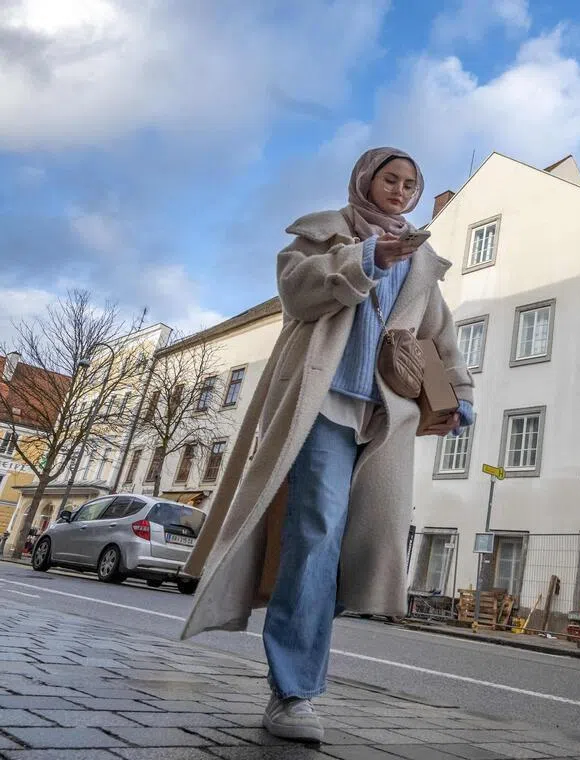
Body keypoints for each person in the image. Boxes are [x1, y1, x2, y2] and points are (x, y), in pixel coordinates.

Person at [177, 148, 475, 744]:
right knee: (314, 534)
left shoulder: (420, 264)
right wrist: (367, 258)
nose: (400, 191)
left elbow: (440, 337)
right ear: (366, 180)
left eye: (411, 185)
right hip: (321, 407)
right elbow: (297, 292)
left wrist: (459, 396)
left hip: (384, 419)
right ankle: (292, 692)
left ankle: (299, 644)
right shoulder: (322, 235)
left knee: (355, 552)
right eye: (390, 179)